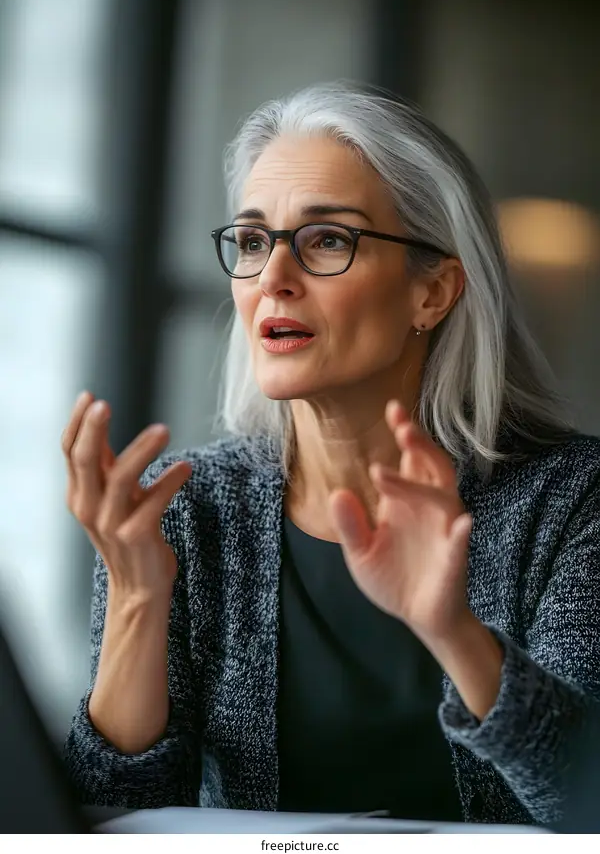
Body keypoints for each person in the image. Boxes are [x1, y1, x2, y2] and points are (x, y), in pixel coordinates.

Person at [63, 82, 600, 826]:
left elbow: (586, 800)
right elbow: (116, 816)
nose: (272, 279)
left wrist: (454, 631)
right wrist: (137, 596)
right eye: (254, 241)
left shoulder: (572, 499)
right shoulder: (183, 504)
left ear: (433, 292)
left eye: (327, 240)